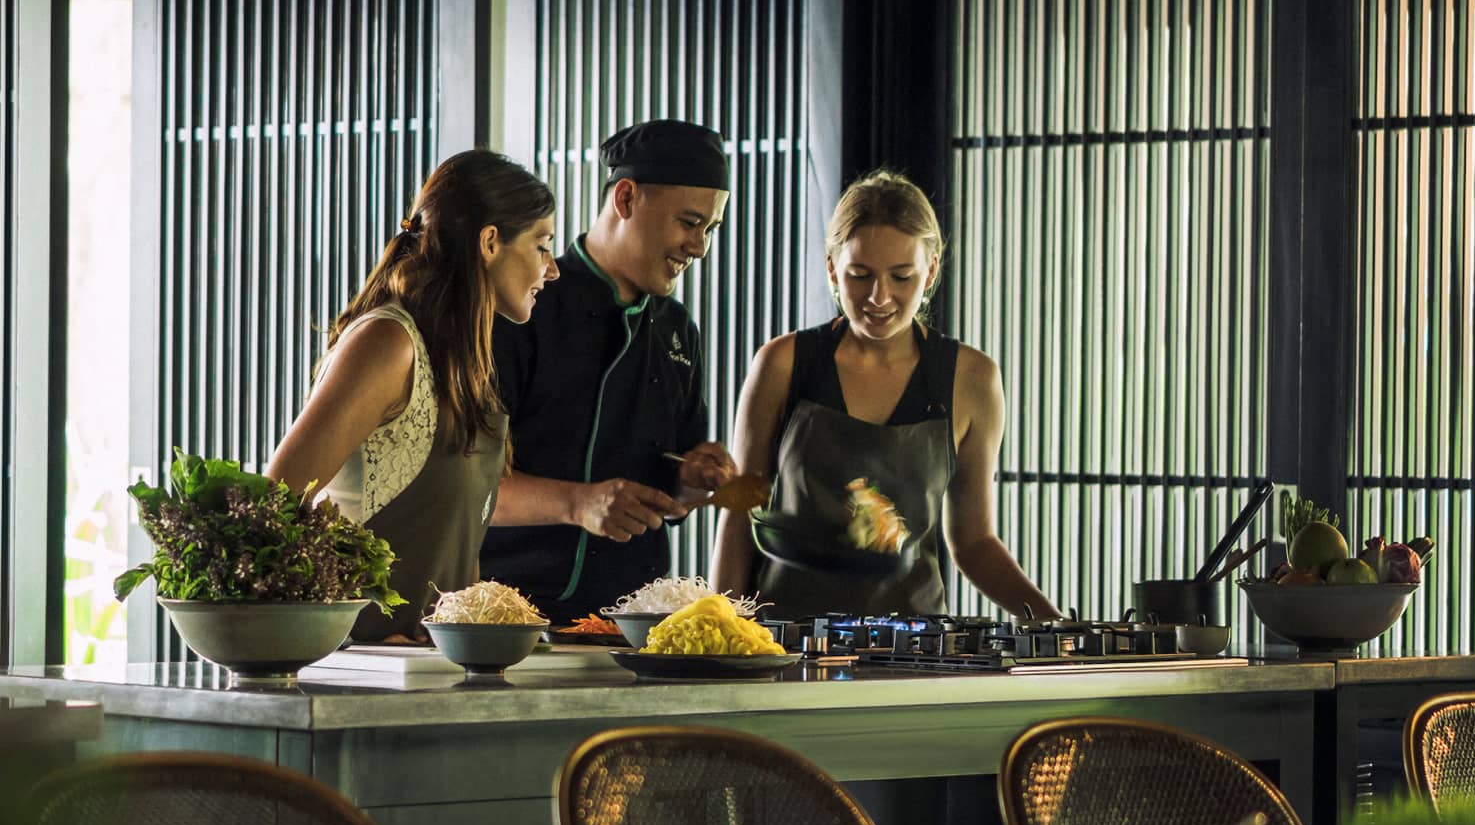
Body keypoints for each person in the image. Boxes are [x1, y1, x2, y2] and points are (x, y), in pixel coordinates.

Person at [709, 169, 1061, 620]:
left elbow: (974, 543)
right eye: (860, 275)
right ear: (832, 269)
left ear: (930, 271)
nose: (879, 297)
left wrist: (1058, 629)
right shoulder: (782, 363)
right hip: (785, 641)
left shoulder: (971, 379)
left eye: (901, 277)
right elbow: (740, 513)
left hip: (917, 647)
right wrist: (721, 635)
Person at [267, 149, 558, 642]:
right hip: (357, 678)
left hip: (436, 672)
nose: (552, 270)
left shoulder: (464, 360)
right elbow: (271, 505)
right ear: (490, 241)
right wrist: (353, 635)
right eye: (542, 245)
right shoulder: (388, 343)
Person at [480, 119, 737, 624]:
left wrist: (690, 481)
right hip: (507, 616)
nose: (700, 247)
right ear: (625, 198)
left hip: (632, 624)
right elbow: (465, 487)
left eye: (710, 229)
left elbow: (673, 492)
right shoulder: (524, 306)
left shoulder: (678, 330)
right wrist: (577, 503)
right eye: (688, 223)